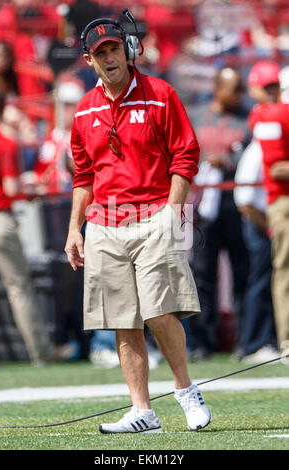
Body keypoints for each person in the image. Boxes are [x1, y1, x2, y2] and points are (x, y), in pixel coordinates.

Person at [65, 15, 211, 434]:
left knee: (161, 312)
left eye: (113, 49)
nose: (108, 58)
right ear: (89, 60)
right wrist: (75, 229)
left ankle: (186, 390)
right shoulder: (83, 111)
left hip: (153, 216)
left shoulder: (161, 95)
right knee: (123, 321)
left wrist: (173, 211)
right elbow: (83, 177)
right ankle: (143, 411)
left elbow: (186, 154)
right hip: (104, 225)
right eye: (99, 53)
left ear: (127, 50)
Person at [186, 67, 250, 360]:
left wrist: (231, 162)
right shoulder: (197, 115)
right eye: (233, 89)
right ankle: (202, 341)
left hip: (235, 202)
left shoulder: (246, 119)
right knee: (202, 275)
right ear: (217, 88)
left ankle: (244, 339)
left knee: (242, 272)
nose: (238, 95)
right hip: (203, 205)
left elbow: (252, 157)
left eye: (240, 89)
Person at [0, 91, 54, 366]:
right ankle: (41, 354)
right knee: (19, 289)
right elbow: (11, 188)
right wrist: (30, 189)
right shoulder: (4, 142)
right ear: (3, 108)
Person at [248, 60, 289, 356]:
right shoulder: (271, 116)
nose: (271, 91)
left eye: (274, 85)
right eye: (267, 87)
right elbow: (277, 169)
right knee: (284, 271)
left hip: (279, 199)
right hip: (283, 199)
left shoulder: (267, 116)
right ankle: (287, 339)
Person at [234, 138, 278, 363]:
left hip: (269, 222)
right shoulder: (257, 150)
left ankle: (266, 339)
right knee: (261, 282)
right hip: (259, 223)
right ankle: (254, 343)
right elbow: (245, 201)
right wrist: (270, 230)